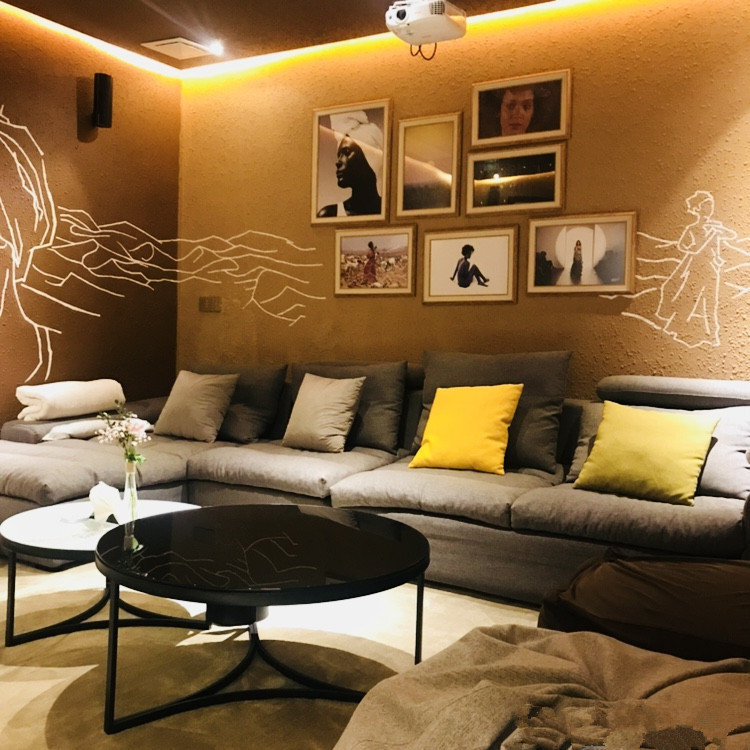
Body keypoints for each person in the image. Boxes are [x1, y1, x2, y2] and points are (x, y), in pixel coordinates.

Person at [317, 111, 383, 217]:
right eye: (339, 155)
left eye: (346, 152)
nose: (338, 162)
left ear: (370, 158)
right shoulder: (328, 215)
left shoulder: (388, 210)